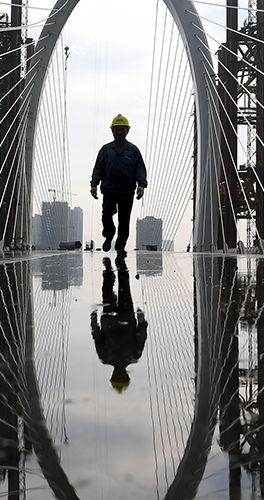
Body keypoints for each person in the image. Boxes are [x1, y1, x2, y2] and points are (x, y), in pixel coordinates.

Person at [91, 114, 147, 258]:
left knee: (124, 220)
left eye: (122, 130)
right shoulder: (106, 150)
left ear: (127, 131)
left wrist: (141, 185)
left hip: (127, 190)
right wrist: (94, 185)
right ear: (113, 131)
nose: (120, 133)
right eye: (117, 130)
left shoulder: (133, 150)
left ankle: (120, 247)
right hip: (109, 189)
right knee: (107, 214)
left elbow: (140, 169)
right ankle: (109, 235)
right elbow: (98, 168)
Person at [91, 257, 147, 393]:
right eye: (122, 377)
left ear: (112, 376)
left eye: (117, 377)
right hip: (127, 316)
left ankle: (109, 270)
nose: (119, 375)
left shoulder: (105, 357)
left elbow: (98, 338)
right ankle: (121, 264)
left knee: (107, 291)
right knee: (125, 287)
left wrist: (93, 322)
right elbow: (141, 337)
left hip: (109, 318)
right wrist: (142, 321)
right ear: (127, 376)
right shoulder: (134, 356)